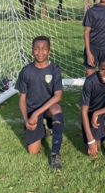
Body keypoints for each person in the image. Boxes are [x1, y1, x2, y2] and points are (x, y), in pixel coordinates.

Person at [15, 36, 64, 169]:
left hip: (47, 109)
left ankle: (55, 153)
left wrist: (37, 113)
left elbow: (58, 95)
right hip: (32, 111)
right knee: (33, 152)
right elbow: (22, 99)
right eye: (36, 49)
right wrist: (26, 120)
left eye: (44, 49)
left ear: (49, 51)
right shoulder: (26, 71)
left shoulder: (54, 69)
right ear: (32, 51)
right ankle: (41, 130)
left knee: (57, 109)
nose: (40, 52)